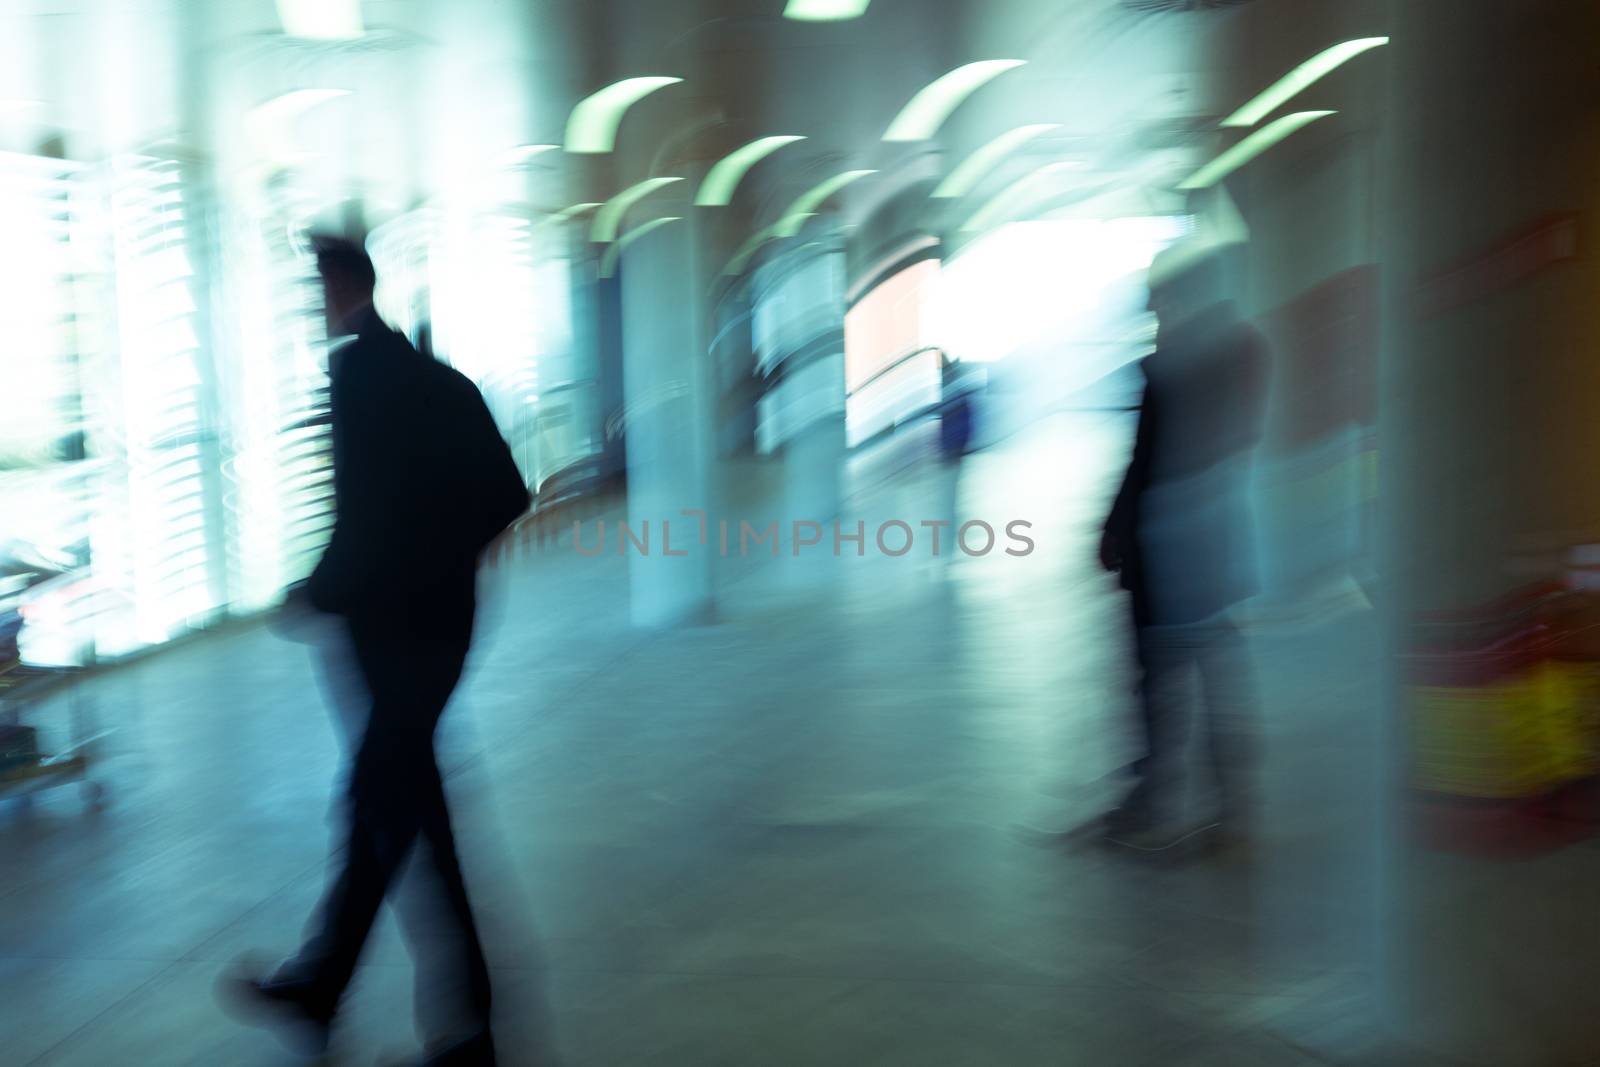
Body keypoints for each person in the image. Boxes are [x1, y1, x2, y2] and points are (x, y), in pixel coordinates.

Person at [224, 235, 531, 1066]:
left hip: (388, 639)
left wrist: (318, 593)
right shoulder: (436, 375)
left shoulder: (359, 375)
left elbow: (361, 517)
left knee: (388, 804)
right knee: (399, 807)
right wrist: (445, 563)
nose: (305, 304)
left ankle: (453, 1019)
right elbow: (508, 493)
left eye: (309, 288)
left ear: (336, 285)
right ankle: (339, 992)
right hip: (445, 631)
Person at [1098, 244, 1269, 850]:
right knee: (1214, 668)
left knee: (1158, 677)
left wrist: (1110, 530)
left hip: (1168, 543)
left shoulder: (1173, 363)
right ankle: (1227, 808)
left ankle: (1156, 802)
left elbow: (1143, 462)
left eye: (1158, 295)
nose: (1152, 306)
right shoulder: (1245, 346)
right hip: (1216, 536)